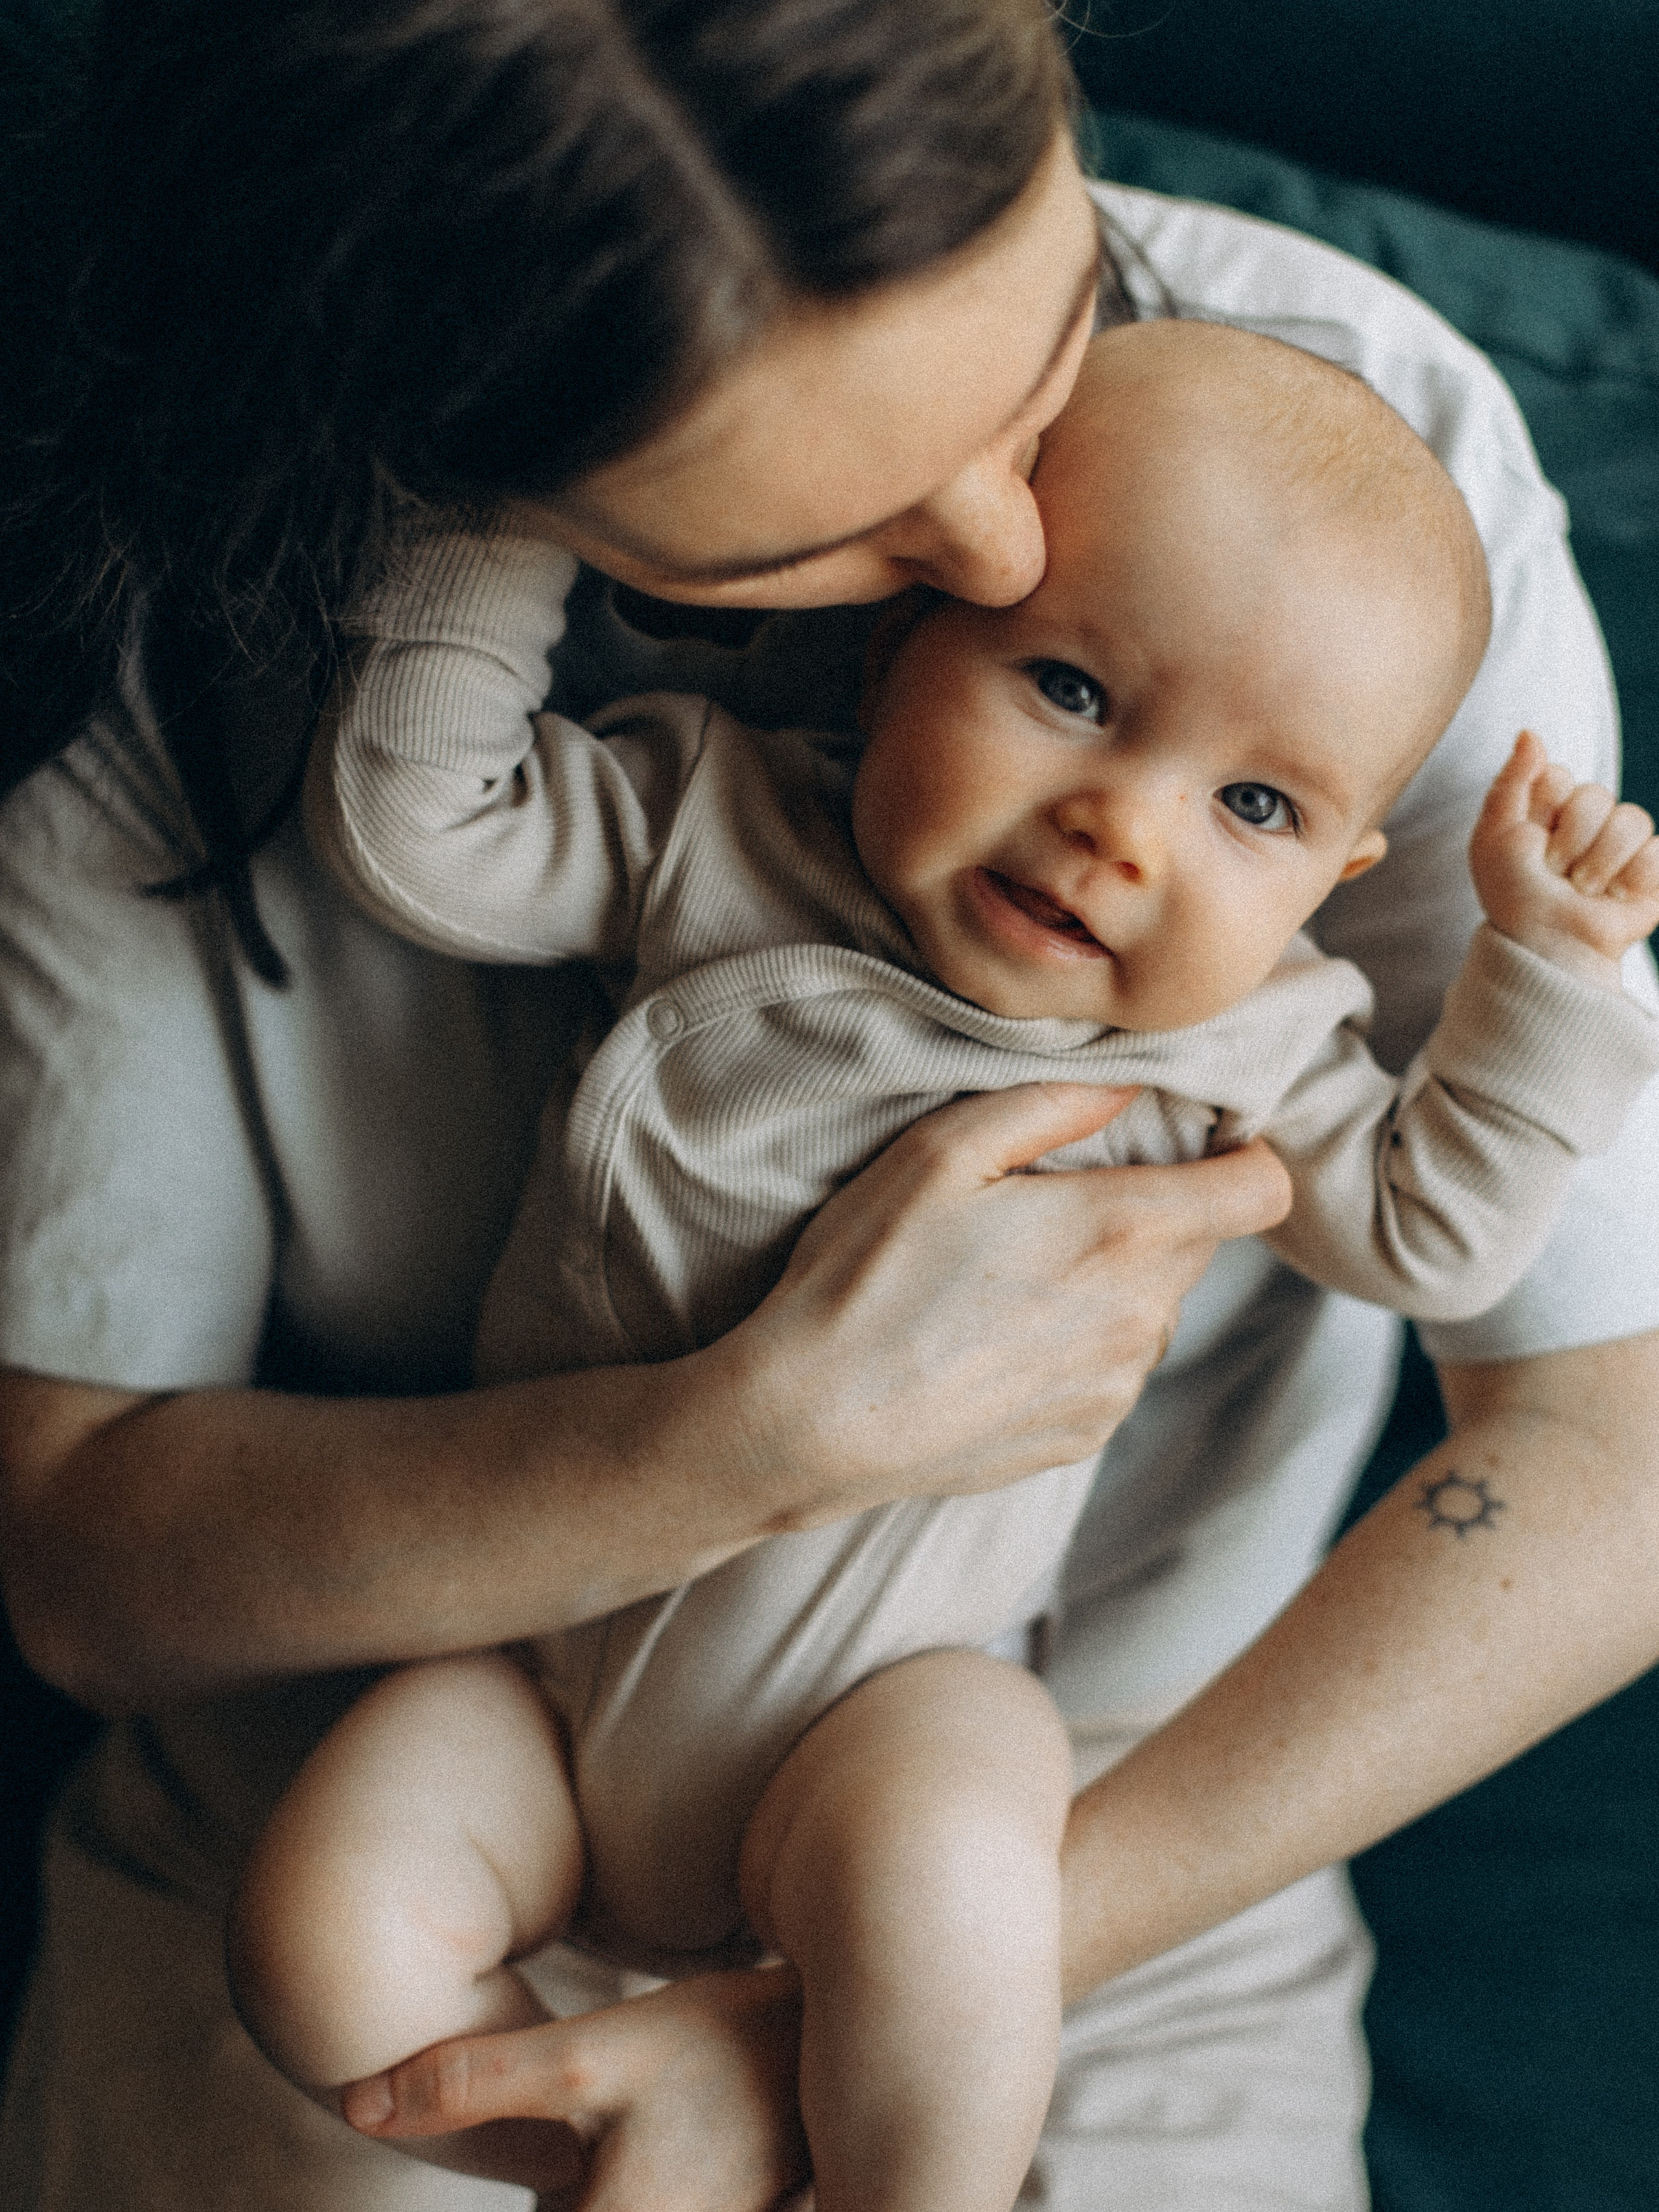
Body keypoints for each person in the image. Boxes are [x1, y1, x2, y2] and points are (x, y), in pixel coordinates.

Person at [0, 4, 1654, 2209]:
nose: (997, 558)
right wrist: (755, 1442)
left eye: (1037, 343)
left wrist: (813, 2028)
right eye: (823, 537)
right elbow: (88, 1555)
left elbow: (1591, 1427)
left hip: (1107, 1832)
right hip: (409, 1725)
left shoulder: (1349, 498)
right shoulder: (437, 727)